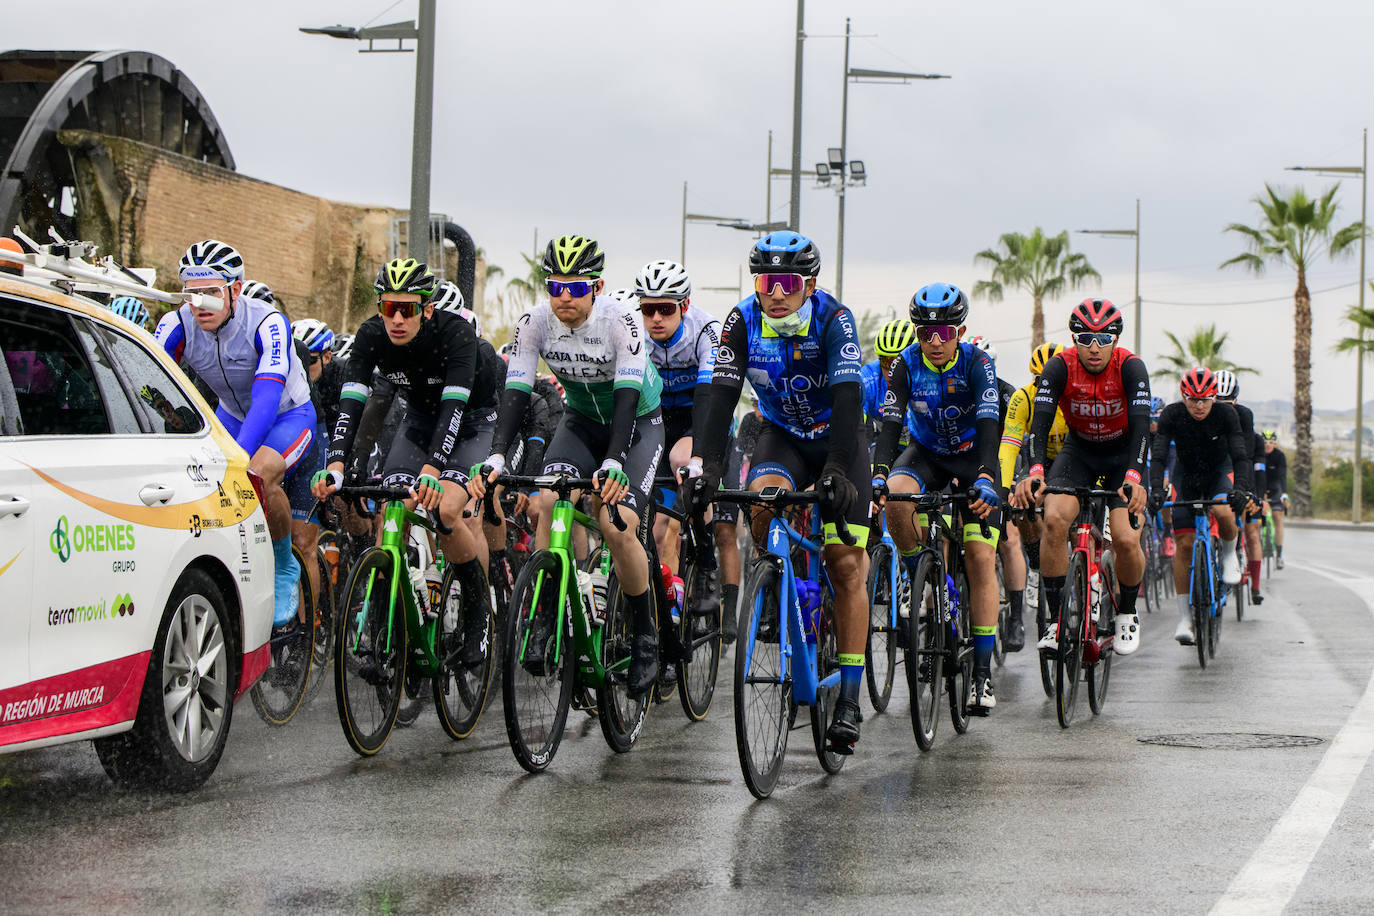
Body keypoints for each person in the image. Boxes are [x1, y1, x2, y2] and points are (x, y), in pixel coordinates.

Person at [684, 231, 870, 753]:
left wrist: (835, 469)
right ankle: (772, 584)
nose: (776, 292)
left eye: (788, 282)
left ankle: (850, 699)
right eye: (767, 281)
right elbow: (719, 401)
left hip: (839, 439)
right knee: (761, 498)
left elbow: (848, 395)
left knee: (845, 564)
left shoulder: (834, 320)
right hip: (782, 435)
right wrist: (706, 470)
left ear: (808, 284)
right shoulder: (740, 321)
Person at [468, 234, 665, 697]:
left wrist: (615, 460)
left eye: (575, 288)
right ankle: (548, 614)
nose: (563, 298)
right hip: (579, 421)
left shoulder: (622, 321)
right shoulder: (534, 322)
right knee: (548, 501)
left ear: (596, 287)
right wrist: (497, 454)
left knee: (616, 526)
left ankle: (644, 636)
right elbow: (515, 392)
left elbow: (626, 396)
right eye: (555, 286)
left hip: (635, 422)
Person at [313, 258, 496, 667]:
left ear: (426, 309)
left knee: (447, 508)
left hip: (469, 424)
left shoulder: (457, 335)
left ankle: (478, 612)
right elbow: (353, 406)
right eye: (387, 307)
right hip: (417, 423)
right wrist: (338, 465)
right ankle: (381, 620)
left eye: (407, 309)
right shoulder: (371, 335)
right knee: (392, 510)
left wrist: (433, 470)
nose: (396, 318)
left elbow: (453, 410)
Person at [155, 240, 316, 630]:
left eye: (211, 292)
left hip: (286, 414)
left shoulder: (267, 322)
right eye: (192, 293)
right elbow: (145, 379)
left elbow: (265, 398)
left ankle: (282, 565)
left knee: (256, 473)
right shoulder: (177, 323)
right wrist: (166, 411)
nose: (200, 304)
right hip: (230, 415)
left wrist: (236, 459)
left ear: (236, 289)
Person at [872, 283, 1002, 712]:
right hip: (926, 454)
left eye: (943, 333)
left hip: (971, 459)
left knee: (981, 558)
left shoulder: (977, 364)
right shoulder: (907, 364)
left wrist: (986, 478)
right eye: (925, 332)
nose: (934, 341)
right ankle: (919, 573)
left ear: (959, 332)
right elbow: (891, 423)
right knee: (895, 496)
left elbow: (988, 425)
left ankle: (982, 674)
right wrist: (878, 473)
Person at [1012, 298, 1150, 657]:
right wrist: (1036, 470)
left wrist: (1134, 475)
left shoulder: (1131, 367)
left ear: (1115, 341)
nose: (1093, 347)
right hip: (1080, 453)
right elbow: (1040, 420)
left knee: (1123, 537)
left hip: (1123, 456)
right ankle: (1058, 619)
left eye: (1103, 339)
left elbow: (1140, 428)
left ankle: (1127, 611)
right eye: (1085, 338)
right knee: (1055, 519)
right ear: (1074, 338)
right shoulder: (1060, 365)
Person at [635, 258, 728, 656]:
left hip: (698, 418)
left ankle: (706, 560)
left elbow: (709, 397)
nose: (655, 318)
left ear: (685, 306)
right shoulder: (632, 331)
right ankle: (657, 615)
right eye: (647, 309)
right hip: (656, 418)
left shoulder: (705, 331)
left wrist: (700, 458)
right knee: (651, 533)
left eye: (666, 308)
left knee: (682, 463)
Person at [1150, 368, 1255, 644]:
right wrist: (1157, 490)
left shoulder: (1226, 414)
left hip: (1218, 472)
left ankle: (1230, 554)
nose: (1199, 405)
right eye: (1193, 399)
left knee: (1223, 510)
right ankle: (1185, 619)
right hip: (1187, 477)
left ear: (1214, 398)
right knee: (1183, 543)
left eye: (1205, 399)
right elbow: (1159, 456)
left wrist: (1242, 489)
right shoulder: (1172, 415)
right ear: (1184, 397)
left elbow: (1241, 456)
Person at [998, 341, 1068, 649]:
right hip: (1039, 460)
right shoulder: (1022, 398)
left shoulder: (1077, 396)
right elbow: (1009, 445)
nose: (1046, 388)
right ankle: (1038, 566)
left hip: (1075, 459)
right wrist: (1003, 489)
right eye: (1040, 381)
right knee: (1022, 499)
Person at [1214, 370, 1267, 604]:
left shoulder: (1245, 417)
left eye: (1229, 403)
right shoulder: (1204, 416)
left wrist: (1255, 496)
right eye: (1219, 401)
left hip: (1240, 471)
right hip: (1216, 471)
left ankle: (1255, 587)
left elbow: (1243, 457)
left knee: (1252, 532)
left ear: (1236, 400)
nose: (1224, 408)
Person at [1262, 430, 1288, 567]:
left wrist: (1284, 493)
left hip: (1275, 488)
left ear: (1275, 444)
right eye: (1265, 442)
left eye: (1271, 442)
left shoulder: (1279, 456)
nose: (1268, 445)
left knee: (1278, 517)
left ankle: (1279, 554)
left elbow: (1283, 476)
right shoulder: (1258, 454)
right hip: (1261, 489)